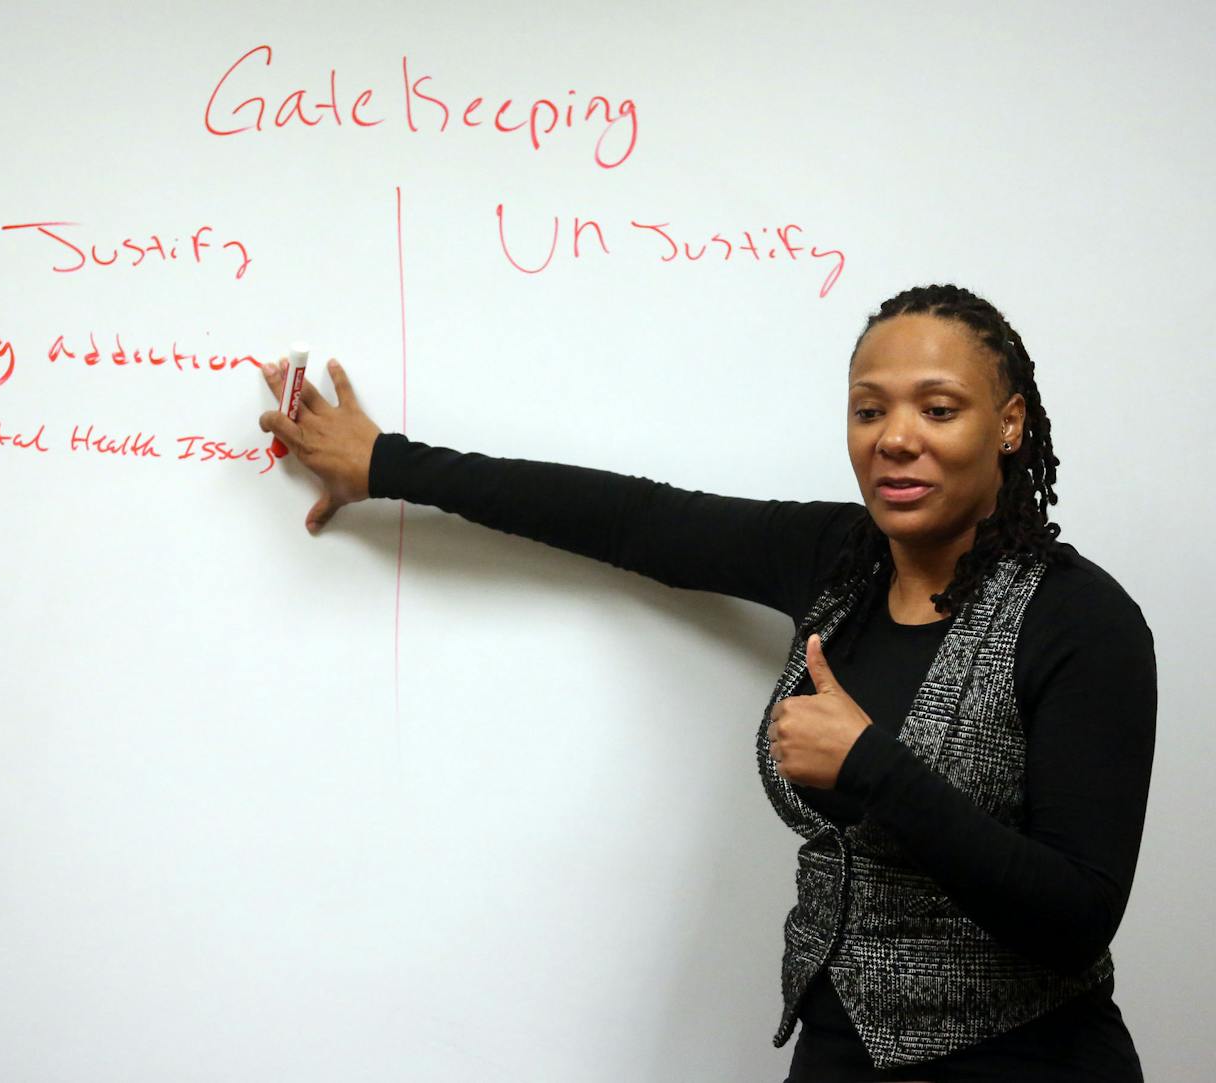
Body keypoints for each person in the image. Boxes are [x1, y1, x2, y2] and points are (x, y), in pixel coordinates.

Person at [256, 284, 1157, 1082]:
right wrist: (386, 463)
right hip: (841, 1051)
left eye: (939, 408)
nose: (896, 439)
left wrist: (874, 766)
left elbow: (1077, 914)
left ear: (1008, 424)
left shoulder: (1082, 622)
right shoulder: (839, 561)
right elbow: (629, 516)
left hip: (1030, 1058)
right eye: (869, 409)